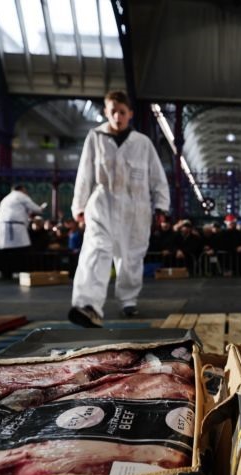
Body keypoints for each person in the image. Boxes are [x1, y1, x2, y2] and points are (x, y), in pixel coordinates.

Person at [68, 90, 170, 327]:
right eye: (113, 111)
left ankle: (128, 300)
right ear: (106, 111)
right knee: (96, 250)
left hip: (136, 211)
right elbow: (84, 174)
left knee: (131, 257)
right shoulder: (95, 137)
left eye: (122, 112)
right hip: (101, 205)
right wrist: (79, 207)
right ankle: (88, 305)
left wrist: (161, 207)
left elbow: (157, 178)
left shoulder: (143, 143)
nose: (117, 116)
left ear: (130, 114)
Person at [0, 185, 44, 278]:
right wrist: (41, 209)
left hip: (2, 227)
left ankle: (3, 272)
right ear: (21, 189)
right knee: (21, 250)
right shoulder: (20, 195)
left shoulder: (6, 199)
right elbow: (36, 209)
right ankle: (19, 272)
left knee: (5, 250)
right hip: (16, 227)